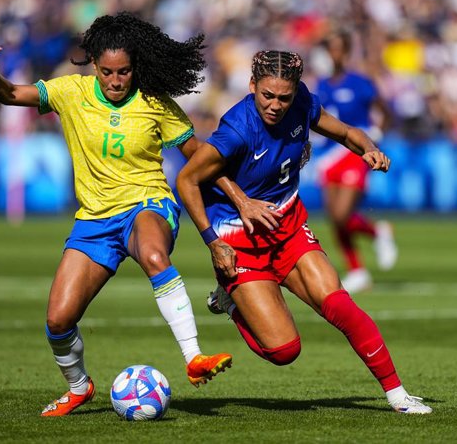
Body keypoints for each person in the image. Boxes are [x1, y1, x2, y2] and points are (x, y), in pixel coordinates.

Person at [0, 12, 233, 417]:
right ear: (94, 66)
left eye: (124, 71)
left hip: (148, 204)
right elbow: (10, 96)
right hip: (93, 221)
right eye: (107, 71)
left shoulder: (155, 102)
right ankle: (79, 386)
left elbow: (199, 158)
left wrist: (239, 197)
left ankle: (194, 357)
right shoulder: (70, 92)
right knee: (58, 321)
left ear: (135, 67)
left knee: (155, 256)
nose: (116, 80)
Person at [176, 50, 431, 414]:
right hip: (238, 241)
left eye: (284, 97)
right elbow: (187, 180)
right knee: (284, 351)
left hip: (288, 227)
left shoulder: (302, 104)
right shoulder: (237, 129)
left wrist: (368, 149)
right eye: (267, 95)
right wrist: (215, 239)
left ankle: (397, 396)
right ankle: (229, 301)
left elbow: (344, 131)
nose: (276, 105)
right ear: (252, 86)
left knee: (341, 305)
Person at [315, 31, 397, 293]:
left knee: (342, 213)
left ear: (346, 52)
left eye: (340, 49)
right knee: (334, 218)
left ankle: (377, 232)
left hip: (355, 152)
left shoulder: (360, 83)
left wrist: (377, 133)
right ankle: (357, 271)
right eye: (332, 49)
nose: (335, 54)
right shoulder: (323, 86)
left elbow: (383, 109)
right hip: (329, 155)